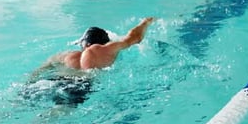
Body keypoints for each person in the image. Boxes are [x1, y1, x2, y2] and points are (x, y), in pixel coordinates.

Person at [21, 17, 155, 108]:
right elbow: (134, 37)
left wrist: (28, 82)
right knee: (55, 114)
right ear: (104, 42)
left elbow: (39, 70)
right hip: (78, 85)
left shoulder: (65, 55)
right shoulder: (104, 49)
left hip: (52, 80)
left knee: (18, 104)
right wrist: (145, 22)